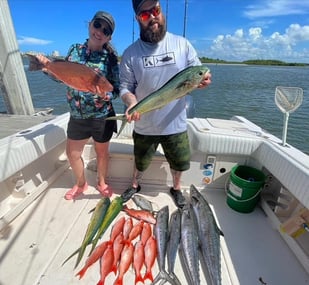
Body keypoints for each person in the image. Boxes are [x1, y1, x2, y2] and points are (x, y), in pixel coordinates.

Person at [119, 0, 212, 208]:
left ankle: (176, 188)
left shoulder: (183, 44)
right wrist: (131, 102)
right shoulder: (130, 53)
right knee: (140, 161)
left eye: (156, 10)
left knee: (178, 163)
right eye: (145, 15)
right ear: (138, 19)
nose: (152, 16)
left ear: (161, 10)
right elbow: (124, 87)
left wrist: (203, 80)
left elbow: (198, 72)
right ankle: (134, 184)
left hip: (175, 124)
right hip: (144, 124)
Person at [63, 11, 119, 200]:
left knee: (102, 153)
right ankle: (81, 184)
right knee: (72, 153)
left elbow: (117, 89)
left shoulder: (110, 58)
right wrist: (46, 67)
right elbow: (62, 76)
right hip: (77, 115)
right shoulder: (73, 50)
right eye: (97, 25)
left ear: (109, 36)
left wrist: (106, 95)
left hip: (101, 115)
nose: (100, 31)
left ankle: (102, 182)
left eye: (106, 30)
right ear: (90, 25)